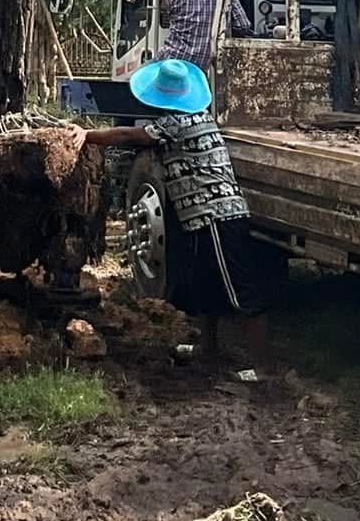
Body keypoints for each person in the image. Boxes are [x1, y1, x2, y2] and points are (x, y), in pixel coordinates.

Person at [84, 57, 269, 377]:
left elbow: (130, 136)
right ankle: (207, 348)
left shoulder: (177, 124)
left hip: (218, 217)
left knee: (240, 289)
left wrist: (85, 135)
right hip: (201, 218)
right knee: (205, 285)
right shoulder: (196, 118)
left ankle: (262, 366)